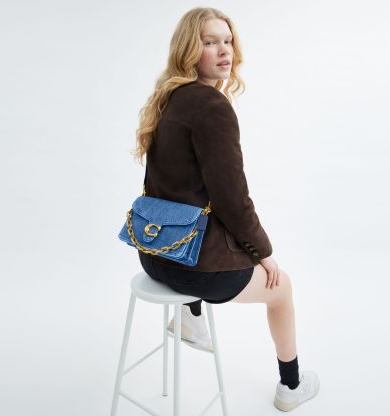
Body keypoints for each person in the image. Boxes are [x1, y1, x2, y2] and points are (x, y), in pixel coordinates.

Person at [130, 7, 320, 412]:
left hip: (154, 255)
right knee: (282, 288)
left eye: (228, 40)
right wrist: (263, 253)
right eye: (209, 42)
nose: (224, 51)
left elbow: (169, 189)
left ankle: (191, 318)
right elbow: (232, 197)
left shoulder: (167, 98)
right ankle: (291, 386)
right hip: (193, 270)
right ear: (188, 49)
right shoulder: (212, 107)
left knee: (202, 215)